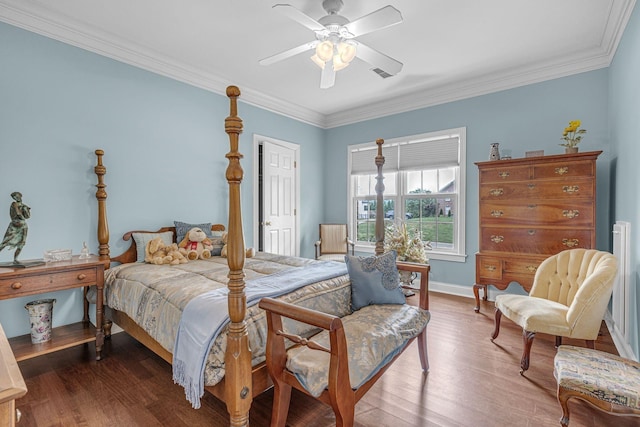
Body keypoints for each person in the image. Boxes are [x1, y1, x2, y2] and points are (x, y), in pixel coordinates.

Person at [0, 192, 31, 263]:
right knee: (5, 241)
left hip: (23, 226)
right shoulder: (14, 204)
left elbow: (28, 216)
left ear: (20, 196)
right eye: (14, 197)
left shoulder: (24, 206)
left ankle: (15, 259)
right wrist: (22, 214)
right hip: (14, 225)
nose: (16, 198)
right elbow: (18, 213)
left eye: (17, 196)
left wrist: (26, 209)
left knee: (22, 243)